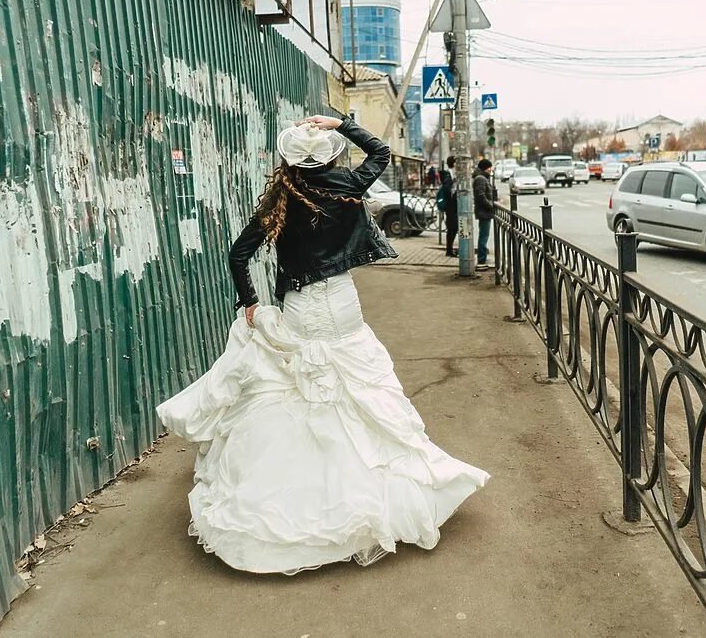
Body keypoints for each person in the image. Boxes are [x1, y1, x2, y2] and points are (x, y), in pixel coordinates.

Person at [156, 115, 489, 575]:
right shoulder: (350, 185)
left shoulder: (281, 200)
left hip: (302, 307)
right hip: (343, 303)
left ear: (289, 161)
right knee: (360, 391)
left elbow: (238, 254)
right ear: (331, 154)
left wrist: (250, 302)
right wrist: (344, 122)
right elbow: (381, 153)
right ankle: (379, 494)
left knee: (301, 393)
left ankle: (303, 499)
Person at [473, 158, 496, 270]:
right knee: (483, 236)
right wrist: (491, 206)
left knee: (484, 235)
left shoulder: (482, 178)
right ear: (485, 168)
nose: (491, 170)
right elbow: (481, 196)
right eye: (489, 168)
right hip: (484, 211)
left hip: (484, 211)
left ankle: (482, 259)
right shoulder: (480, 179)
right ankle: (481, 260)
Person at [436, 156, 457, 257]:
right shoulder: (449, 174)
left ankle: (450, 249)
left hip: (451, 204)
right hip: (451, 205)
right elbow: (447, 189)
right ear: (454, 163)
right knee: (453, 228)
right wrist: (453, 196)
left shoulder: (450, 173)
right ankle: (449, 250)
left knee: (453, 228)